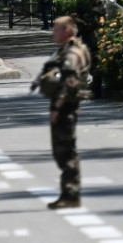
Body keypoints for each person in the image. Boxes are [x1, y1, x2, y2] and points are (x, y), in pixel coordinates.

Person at [32, 16, 91, 209]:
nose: (53, 33)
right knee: (62, 151)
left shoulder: (73, 52)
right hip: (64, 104)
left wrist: (58, 107)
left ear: (67, 31)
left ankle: (71, 194)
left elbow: (70, 81)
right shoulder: (65, 49)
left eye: (56, 29)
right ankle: (69, 193)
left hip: (66, 105)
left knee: (65, 151)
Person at [73, 0, 104, 98]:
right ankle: (95, 88)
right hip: (88, 39)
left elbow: (93, 25)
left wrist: (79, 21)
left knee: (93, 64)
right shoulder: (89, 6)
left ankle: (97, 91)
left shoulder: (99, 8)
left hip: (94, 39)